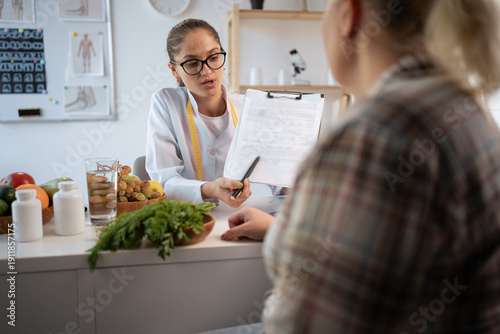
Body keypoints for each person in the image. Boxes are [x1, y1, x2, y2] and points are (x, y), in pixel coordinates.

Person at [222, 0, 500, 332]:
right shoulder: (466, 111)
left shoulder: (376, 134)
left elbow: (304, 326)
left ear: (348, 16)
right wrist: (281, 229)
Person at [146, 18, 252, 207]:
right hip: (187, 219)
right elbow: (163, 183)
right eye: (193, 63)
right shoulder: (166, 103)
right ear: (174, 70)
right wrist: (209, 189)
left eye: (213, 58)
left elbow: (280, 180)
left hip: (236, 216)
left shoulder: (248, 107)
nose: (206, 71)